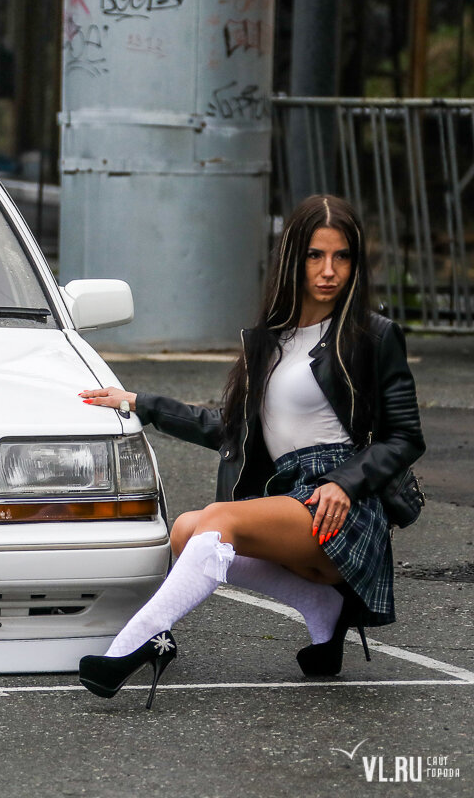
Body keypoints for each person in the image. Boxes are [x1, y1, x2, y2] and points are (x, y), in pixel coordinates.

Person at [77, 194, 425, 709]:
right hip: (292, 494)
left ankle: (134, 645)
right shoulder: (271, 341)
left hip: (343, 504)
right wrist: (142, 403)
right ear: (292, 259)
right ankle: (322, 609)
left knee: (220, 520)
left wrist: (345, 483)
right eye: (314, 255)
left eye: (342, 257)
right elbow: (232, 429)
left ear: (356, 262)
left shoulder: (371, 336)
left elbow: (406, 437)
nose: (329, 271)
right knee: (186, 529)